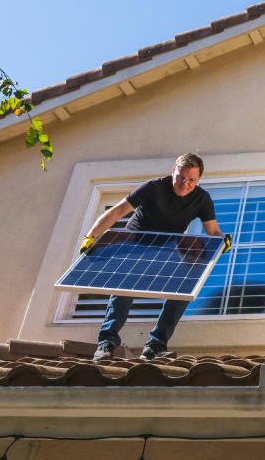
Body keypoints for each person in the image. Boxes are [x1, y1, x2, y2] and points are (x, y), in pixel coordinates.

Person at [81, 152, 225, 361]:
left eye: (191, 179)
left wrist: (223, 242)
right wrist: (90, 237)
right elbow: (116, 212)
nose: (185, 184)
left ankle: (155, 345)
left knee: (184, 288)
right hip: (136, 244)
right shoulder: (153, 187)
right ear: (173, 172)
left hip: (167, 248)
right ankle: (106, 342)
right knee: (124, 288)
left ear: (198, 179)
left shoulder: (202, 199)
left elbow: (213, 232)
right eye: (181, 178)